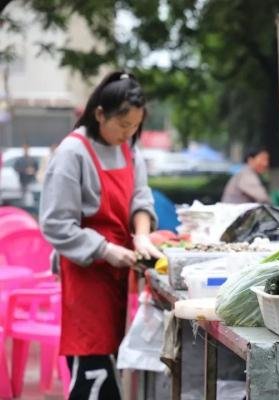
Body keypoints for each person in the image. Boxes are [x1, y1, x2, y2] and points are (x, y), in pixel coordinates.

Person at [40, 71, 163, 399]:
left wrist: (140, 237)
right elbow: (55, 224)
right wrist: (105, 249)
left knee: (114, 356)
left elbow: (141, 196)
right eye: (123, 125)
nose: (129, 133)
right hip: (87, 275)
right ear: (99, 114)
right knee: (92, 363)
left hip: (120, 270)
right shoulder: (72, 153)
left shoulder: (128, 148)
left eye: (135, 126)